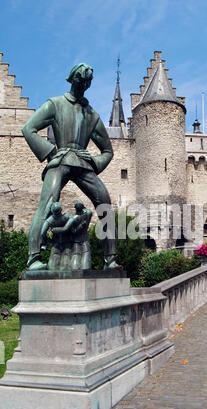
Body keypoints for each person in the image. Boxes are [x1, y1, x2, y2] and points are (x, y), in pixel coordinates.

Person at [22, 63, 119, 270]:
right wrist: (50, 152)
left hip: (83, 163)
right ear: (72, 79)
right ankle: (34, 258)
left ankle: (111, 259)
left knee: (104, 203)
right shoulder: (55, 104)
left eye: (87, 82)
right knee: (47, 204)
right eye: (80, 80)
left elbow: (108, 151)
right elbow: (28, 128)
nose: (83, 85)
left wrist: (93, 160)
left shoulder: (92, 115)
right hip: (61, 159)